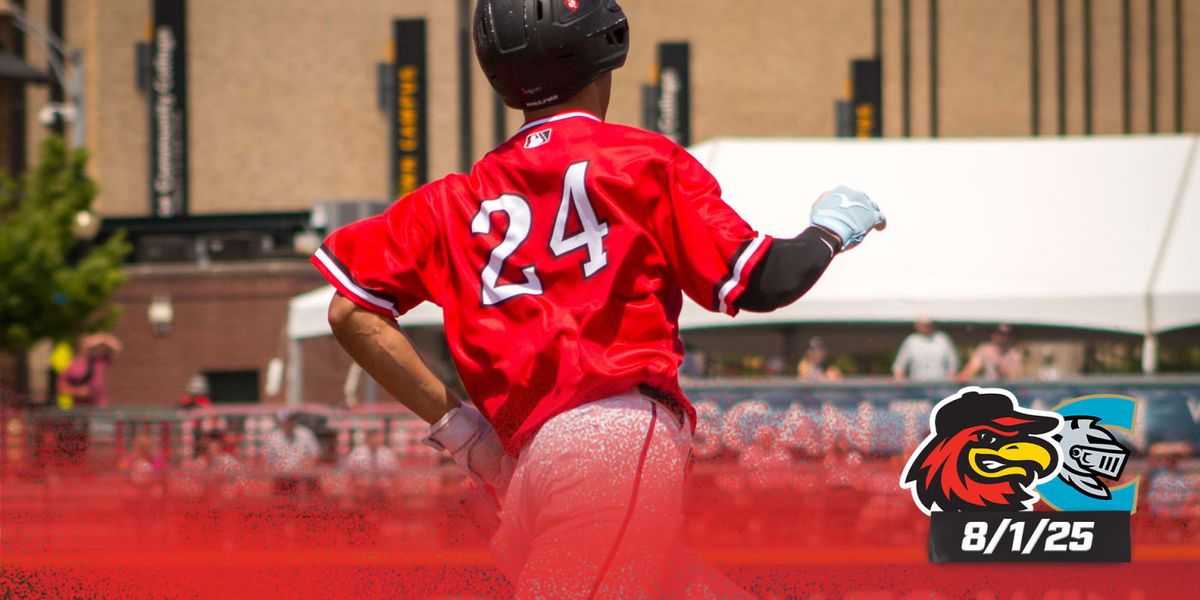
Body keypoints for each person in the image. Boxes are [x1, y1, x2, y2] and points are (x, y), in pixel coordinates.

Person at [312, 1, 885, 595]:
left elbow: (350, 309)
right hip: (610, 442)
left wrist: (463, 433)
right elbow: (765, 280)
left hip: (526, 466)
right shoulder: (640, 161)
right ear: (603, 43)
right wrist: (829, 231)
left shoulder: (451, 201)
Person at [263, 410, 321, 499]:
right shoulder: (273, 437)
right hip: (283, 477)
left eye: (293, 420)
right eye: (288, 420)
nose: (291, 423)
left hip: (304, 475)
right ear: (282, 422)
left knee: (314, 488)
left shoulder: (305, 433)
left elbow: (315, 455)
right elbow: (269, 461)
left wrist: (306, 466)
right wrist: (281, 469)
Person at [57, 332, 122, 408]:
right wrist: (77, 391)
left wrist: (103, 339)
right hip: (82, 411)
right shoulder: (72, 366)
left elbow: (117, 348)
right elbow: (60, 387)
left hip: (100, 408)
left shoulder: (99, 360)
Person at [344, 428, 399, 508]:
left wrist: (392, 491)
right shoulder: (356, 453)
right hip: (363, 489)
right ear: (366, 439)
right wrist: (354, 491)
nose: (374, 440)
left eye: (376, 437)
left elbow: (395, 475)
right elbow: (350, 475)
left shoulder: (388, 453)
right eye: (372, 437)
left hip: (383, 490)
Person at [892, 317, 958, 381]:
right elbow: (899, 366)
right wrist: (902, 386)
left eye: (928, 324)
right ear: (917, 325)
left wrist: (949, 380)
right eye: (923, 324)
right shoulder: (911, 340)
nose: (925, 327)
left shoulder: (942, 338)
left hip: (941, 387)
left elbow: (953, 362)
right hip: (917, 387)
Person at [957, 324, 1023, 382]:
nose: (1003, 337)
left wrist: (1004, 374)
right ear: (993, 335)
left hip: (1010, 392)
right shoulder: (985, 350)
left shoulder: (1015, 354)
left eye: (1006, 334)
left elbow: (1017, 378)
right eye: (1000, 333)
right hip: (988, 390)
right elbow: (973, 366)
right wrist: (965, 375)